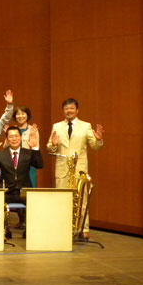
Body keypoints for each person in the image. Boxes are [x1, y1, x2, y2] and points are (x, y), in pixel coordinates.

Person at [47, 98, 104, 236]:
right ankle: (62, 229)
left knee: (82, 200)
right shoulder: (57, 126)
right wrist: (53, 144)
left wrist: (99, 139)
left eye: (72, 108)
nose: (69, 111)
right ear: (63, 111)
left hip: (79, 169)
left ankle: (84, 229)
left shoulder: (86, 126)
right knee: (61, 199)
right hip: (62, 169)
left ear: (77, 110)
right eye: (66, 108)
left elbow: (95, 146)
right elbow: (49, 147)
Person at [0, 125, 43, 238]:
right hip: (7, 192)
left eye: (16, 136)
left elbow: (39, 165)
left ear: (21, 138)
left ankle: (30, 230)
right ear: (7, 139)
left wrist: (35, 148)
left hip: (24, 192)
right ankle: (4, 230)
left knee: (36, 203)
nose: (14, 139)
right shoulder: (1, 154)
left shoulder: (28, 153)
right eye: (11, 136)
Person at [13, 105, 38, 187]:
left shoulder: (33, 130)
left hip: (29, 166)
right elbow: (6, 149)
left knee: (30, 191)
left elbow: (36, 151)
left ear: (27, 115)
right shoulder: (12, 130)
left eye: (23, 113)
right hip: (14, 165)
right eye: (18, 114)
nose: (20, 116)